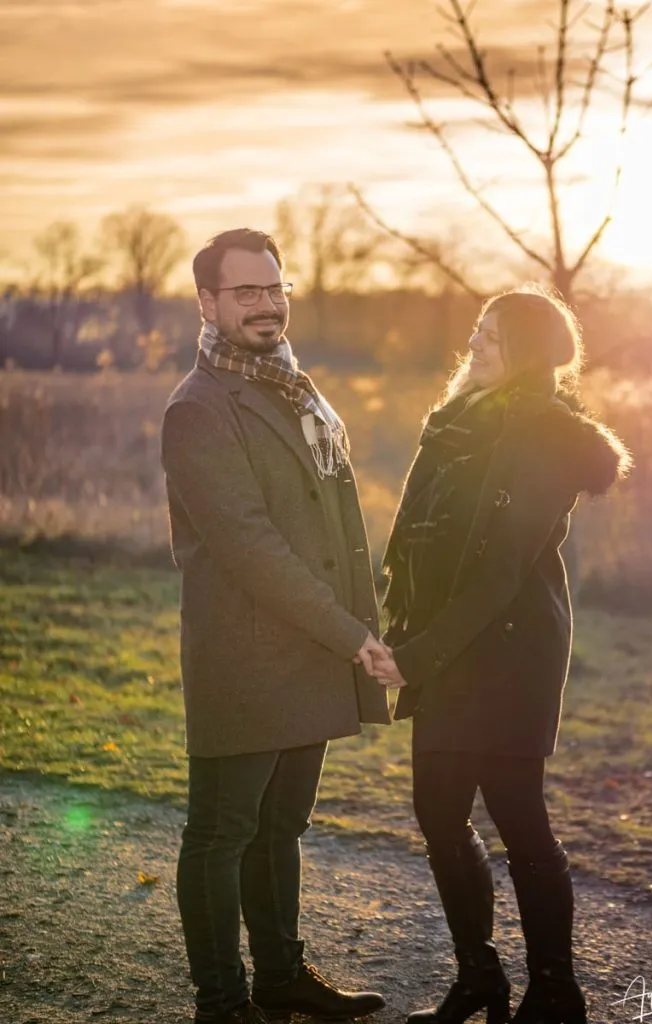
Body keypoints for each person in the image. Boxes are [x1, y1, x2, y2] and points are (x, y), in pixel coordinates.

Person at [372, 286, 632, 1024]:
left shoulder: (550, 435)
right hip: (447, 645)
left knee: (518, 818)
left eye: (495, 335)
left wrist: (417, 657)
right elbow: (415, 534)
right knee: (437, 811)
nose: (477, 343)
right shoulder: (455, 422)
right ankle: (479, 978)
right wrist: (393, 622)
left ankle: (554, 993)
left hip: (509, 650)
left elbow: (499, 569)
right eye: (478, 330)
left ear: (528, 351)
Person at [160, 228, 391, 1024]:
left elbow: (328, 522)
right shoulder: (200, 407)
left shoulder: (291, 388)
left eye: (273, 288)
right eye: (245, 292)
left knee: (282, 826)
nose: (265, 305)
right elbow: (249, 546)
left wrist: (363, 612)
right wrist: (349, 635)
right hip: (248, 653)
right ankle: (222, 1004)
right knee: (223, 830)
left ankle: (281, 976)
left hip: (310, 647)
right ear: (208, 303)